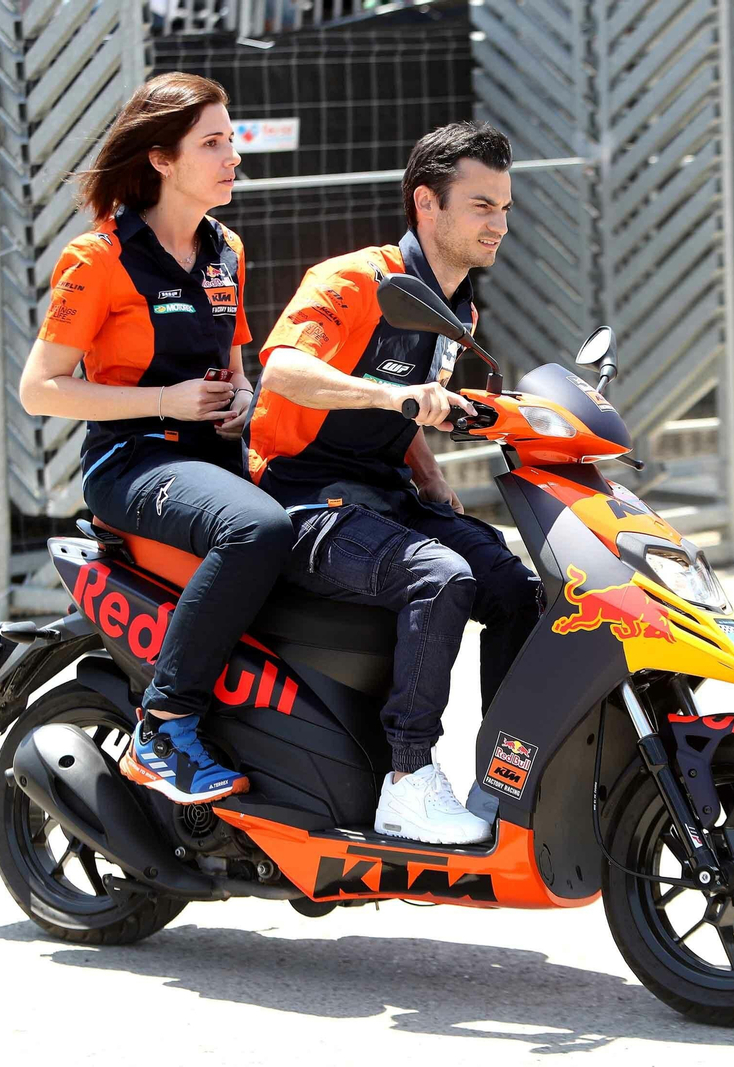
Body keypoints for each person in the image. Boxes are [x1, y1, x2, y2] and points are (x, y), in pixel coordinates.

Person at [246, 121, 540, 845]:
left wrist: (431, 472)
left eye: (504, 207)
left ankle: (504, 780)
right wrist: (388, 397)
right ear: (426, 205)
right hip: (300, 497)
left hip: (379, 493)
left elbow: (414, 405)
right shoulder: (353, 281)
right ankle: (407, 780)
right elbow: (280, 368)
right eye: (482, 206)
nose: (500, 224)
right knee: (439, 576)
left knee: (515, 585)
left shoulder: (457, 303)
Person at [19, 73, 291, 805]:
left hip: (214, 458)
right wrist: (165, 399)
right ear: (162, 160)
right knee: (257, 527)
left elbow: (237, 373)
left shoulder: (226, 248)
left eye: (231, 139)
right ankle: (165, 724)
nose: (232, 155)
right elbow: (39, 387)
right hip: (133, 461)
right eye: (212, 142)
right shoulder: (96, 258)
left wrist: (240, 401)